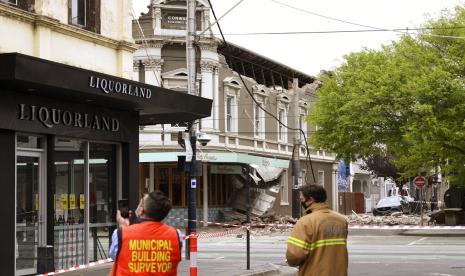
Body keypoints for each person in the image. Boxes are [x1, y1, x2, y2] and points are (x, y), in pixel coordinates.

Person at [109, 191, 182, 276]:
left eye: (141, 203)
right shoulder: (176, 235)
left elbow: (115, 256)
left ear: (141, 210)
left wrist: (123, 227)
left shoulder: (121, 234)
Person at [286, 185, 348, 276]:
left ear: (310, 200)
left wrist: (290, 260)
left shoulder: (305, 221)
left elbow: (295, 255)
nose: (300, 201)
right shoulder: (341, 220)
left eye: (301, 199)